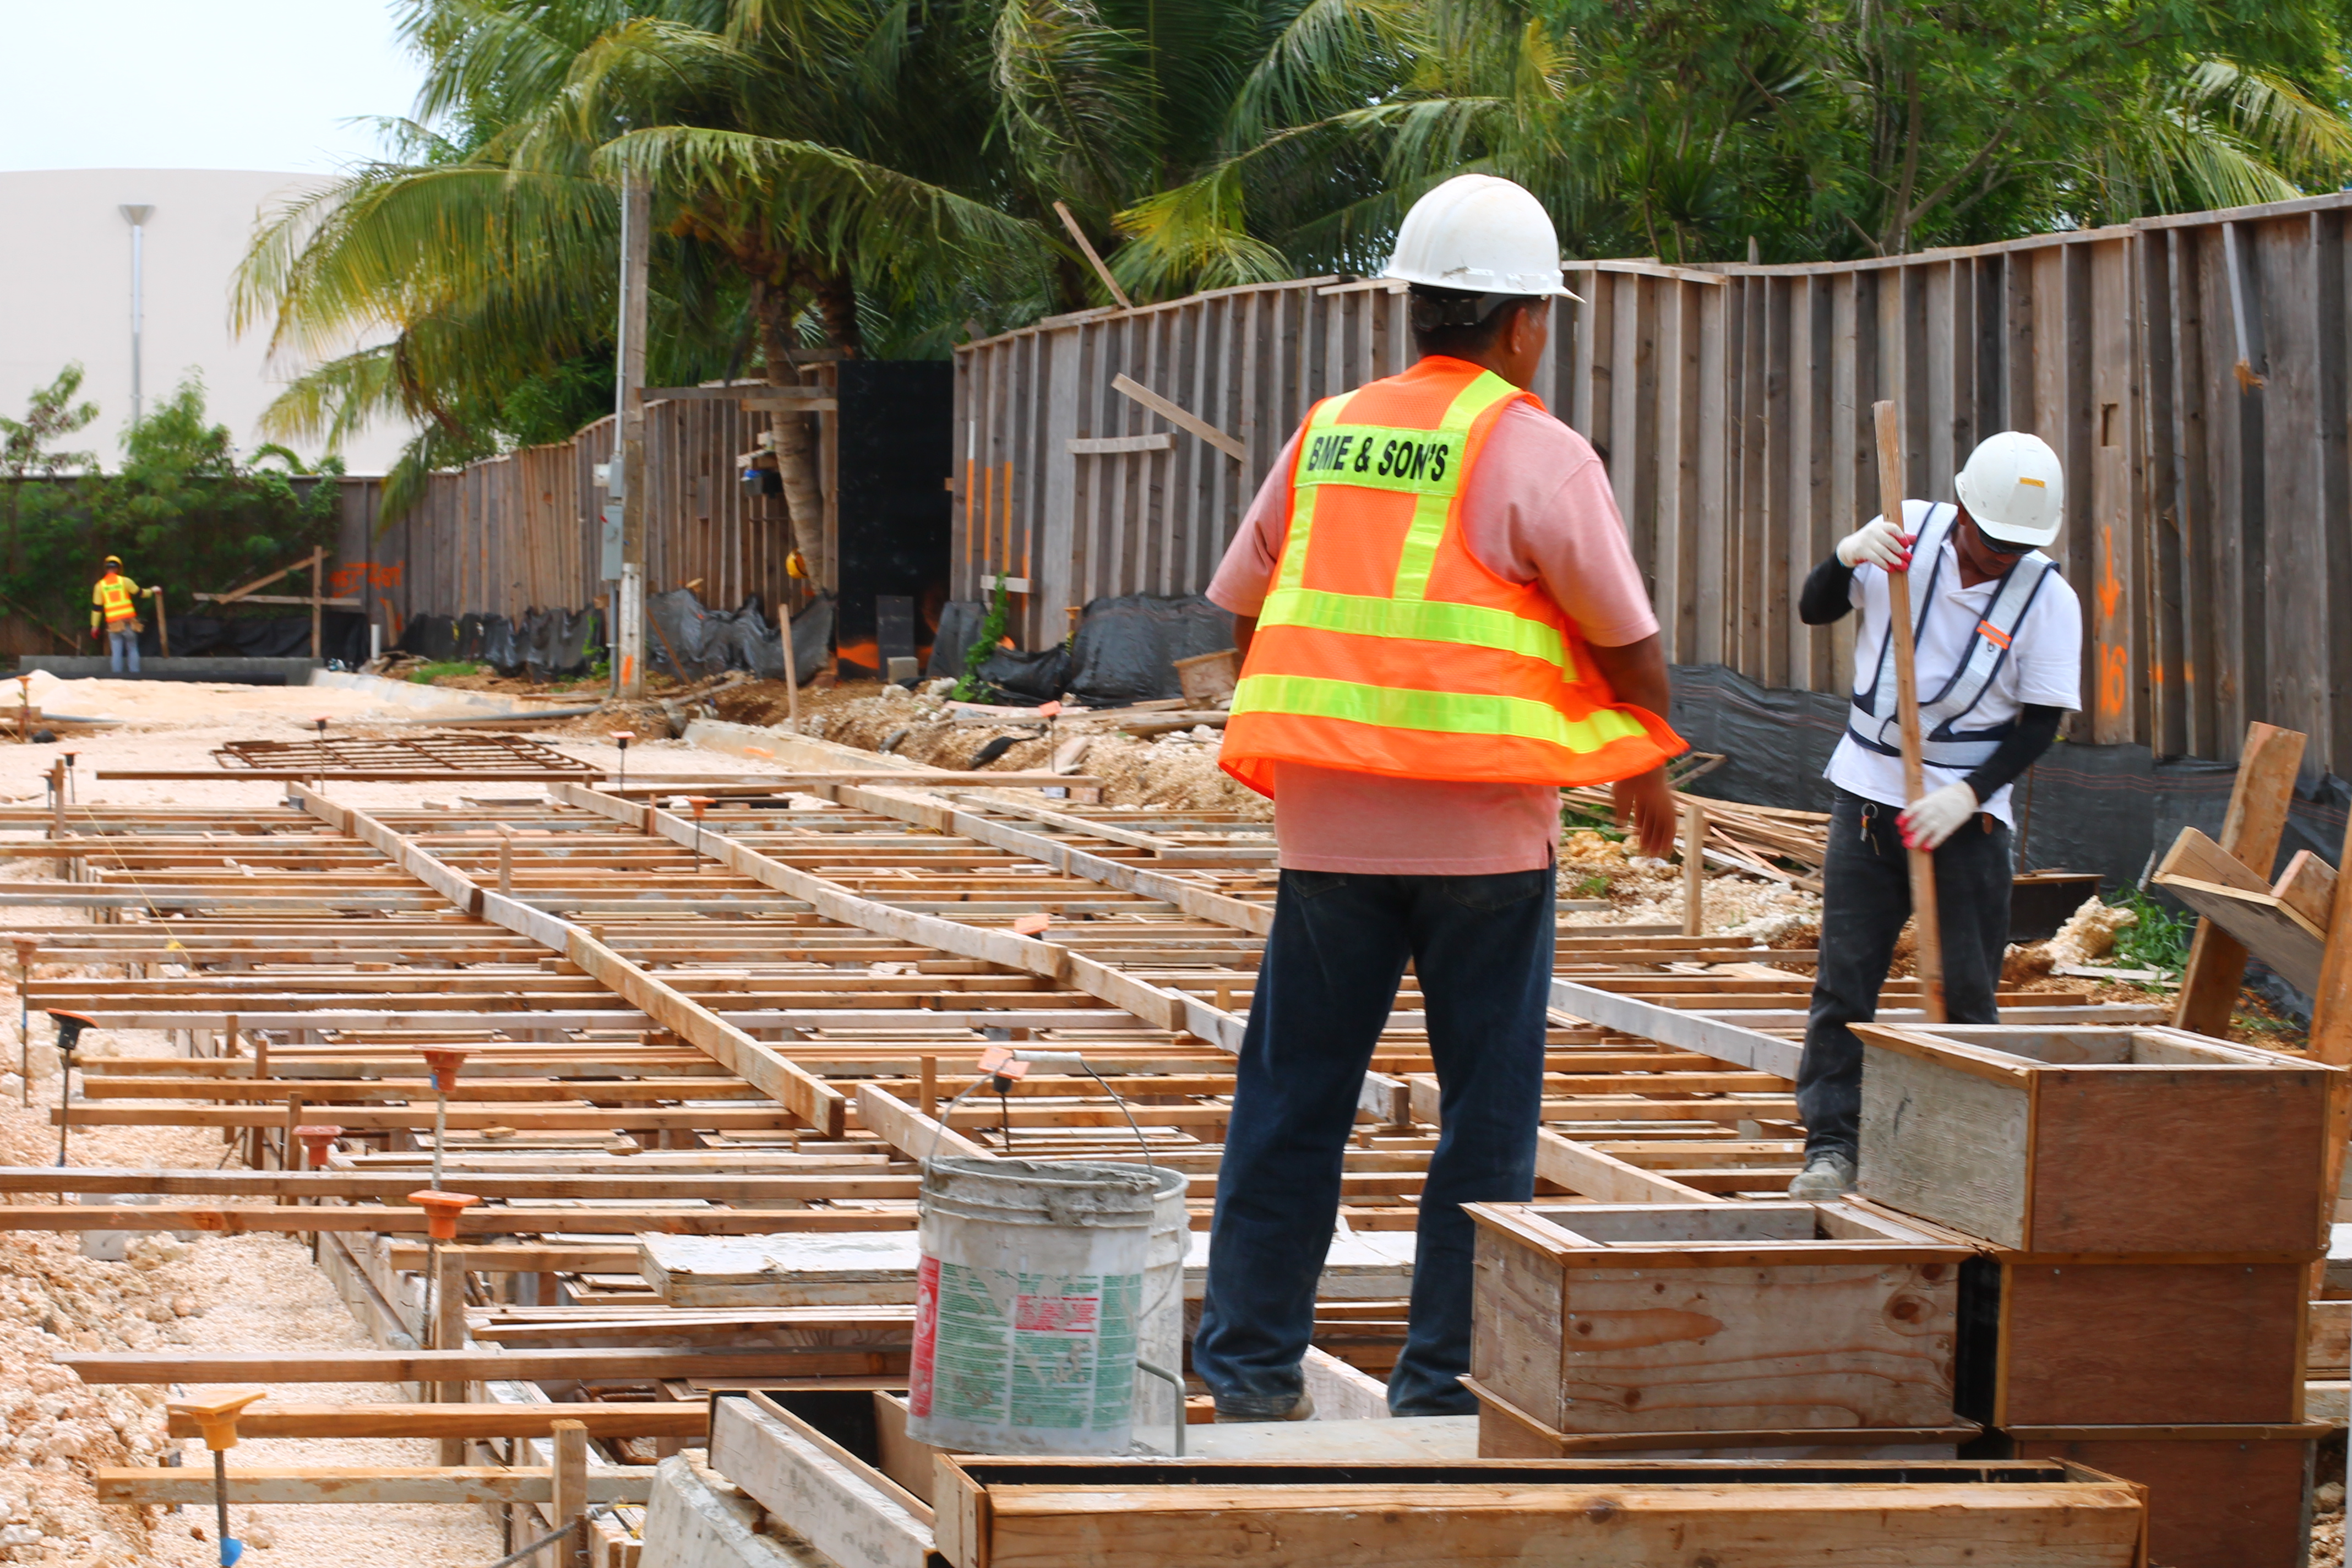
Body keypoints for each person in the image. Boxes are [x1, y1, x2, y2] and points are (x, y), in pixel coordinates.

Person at [1194, 173, 1685, 1420]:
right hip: (1485, 838)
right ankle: (1440, 1387)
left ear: (1412, 304)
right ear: (1525, 321)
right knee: (1483, 1128)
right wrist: (1642, 761)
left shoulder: (1330, 430)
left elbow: (1244, 601)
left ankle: (1248, 1370)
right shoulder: (1538, 450)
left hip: (1328, 827)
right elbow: (1625, 640)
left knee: (1292, 1099)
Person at [1786, 431, 2083, 1199]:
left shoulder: (2046, 599)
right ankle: (1832, 1146)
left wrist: (1966, 795)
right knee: (1846, 983)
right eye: (1988, 543)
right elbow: (1814, 608)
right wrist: (1846, 555)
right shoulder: (1903, 537)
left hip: (1970, 820)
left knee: (1968, 995)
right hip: (1868, 798)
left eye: (2014, 550)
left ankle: (1969, 1160)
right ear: (1962, 511)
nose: (1995, 560)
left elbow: (2041, 724)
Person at [90, 556, 151, 675]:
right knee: (132, 649)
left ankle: (116, 677)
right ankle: (135, 675)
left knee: (116, 652)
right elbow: (141, 593)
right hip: (128, 622)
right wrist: (153, 591)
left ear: (106, 569)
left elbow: (97, 608)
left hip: (114, 624)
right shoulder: (125, 581)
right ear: (118, 568)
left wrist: (95, 626)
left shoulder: (100, 586)